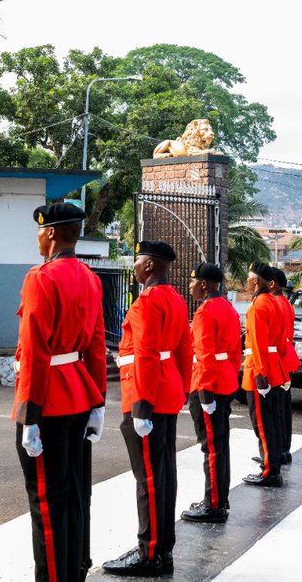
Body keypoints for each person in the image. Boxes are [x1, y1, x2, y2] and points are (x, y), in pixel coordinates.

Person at [14, 203, 107, 582]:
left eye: (39, 231)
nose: (37, 238)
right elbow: (97, 346)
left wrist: (28, 416)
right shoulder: (90, 277)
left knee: (47, 504)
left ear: (50, 232)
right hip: (79, 395)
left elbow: (35, 349)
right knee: (71, 496)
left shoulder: (42, 277)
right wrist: (98, 402)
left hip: (47, 401)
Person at [103, 240, 192, 578]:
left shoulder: (147, 302)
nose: (135, 266)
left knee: (150, 478)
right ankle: (162, 548)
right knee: (164, 473)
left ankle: (150, 552)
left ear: (150, 266)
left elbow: (146, 354)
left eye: (138, 261)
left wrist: (141, 406)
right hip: (166, 392)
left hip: (146, 397)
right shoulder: (175, 298)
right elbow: (184, 349)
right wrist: (182, 388)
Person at [181, 262, 241, 524]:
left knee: (212, 446)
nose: (191, 286)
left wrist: (204, 393)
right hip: (225, 380)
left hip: (208, 385)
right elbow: (236, 352)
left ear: (204, 284)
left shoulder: (205, 312)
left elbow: (203, 355)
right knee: (220, 443)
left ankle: (213, 504)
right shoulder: (228, 308)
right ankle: (219, 498)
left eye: (193, 281)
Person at [241, 262, 288, 487]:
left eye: (249, 279)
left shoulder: (258, 306)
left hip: (261, 369)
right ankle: (273, 466)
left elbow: (258, 344)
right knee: (271, 420)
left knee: (262, 423)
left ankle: (270, 471)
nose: (247, 283)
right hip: (274, 364)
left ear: (257, 281)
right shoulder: (275, 303)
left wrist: (260, 375)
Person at [270, 268, 298, 463]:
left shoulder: (276, 303)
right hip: (285, 358)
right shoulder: (284, 302)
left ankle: (278, 449)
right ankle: (283, 448)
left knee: (276, 409)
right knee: (282, 408)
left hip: (278, 359)